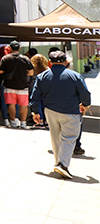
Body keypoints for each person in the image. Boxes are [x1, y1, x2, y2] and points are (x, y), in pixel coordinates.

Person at [30, 50, 91, 179]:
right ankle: (62, 165)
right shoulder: (75, 76)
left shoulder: (42, 76)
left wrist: (35, 111)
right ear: (66, 62)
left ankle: (58, 163)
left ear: (49, 62)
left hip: (50, 111)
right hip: (70, 111)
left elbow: (35, 95)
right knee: (69, 137)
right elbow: (85, 94)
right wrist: (85, 105)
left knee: (55, 137)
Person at [0, 41, 34, 129]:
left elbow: (0, 71)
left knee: (11, 104)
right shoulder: (25, 58)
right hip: (23, 85)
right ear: (19, 48)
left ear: (10, 48)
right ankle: (23, 123)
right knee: (24, 105)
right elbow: (31, 72)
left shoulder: (5, 58)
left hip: (9, 85)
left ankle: (13, 122)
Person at [29, 54, 50, 128]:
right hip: (46, 88)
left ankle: (40, 121)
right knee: (45, 104)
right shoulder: (47, 69)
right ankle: (47, 121)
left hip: (34, 87)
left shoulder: (32, 69)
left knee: (37, 103)